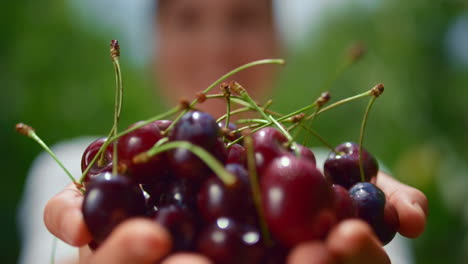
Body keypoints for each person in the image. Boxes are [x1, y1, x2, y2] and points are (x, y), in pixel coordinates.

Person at [20, 0, 428, 263]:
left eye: (243, 17)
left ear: (277, 39)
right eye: (188, 19)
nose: (216, 45)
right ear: (156, 42)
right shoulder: (73, 171)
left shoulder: (331, 183)